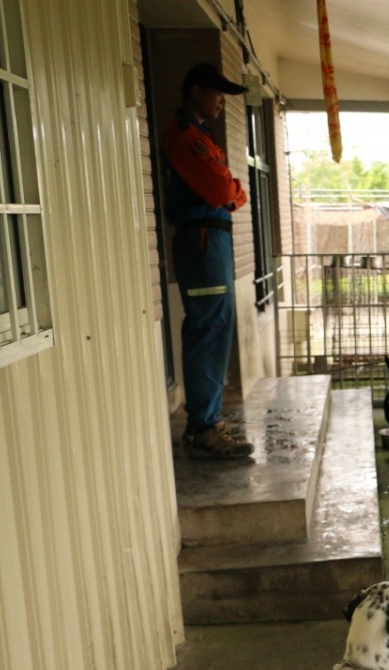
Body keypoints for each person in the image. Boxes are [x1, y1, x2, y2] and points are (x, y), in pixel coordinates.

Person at [163, 63, 254, 459]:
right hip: (202, 240)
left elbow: (234, 193)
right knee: (209, 329)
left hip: (211, 240)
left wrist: (231, 191)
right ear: (196, 91)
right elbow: (223, 191)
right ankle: (203, 427)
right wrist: (230, 190)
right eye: (217, 93)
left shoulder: (200, 136)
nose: (221, 101)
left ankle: (206, 420)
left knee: (213, 327)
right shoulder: (187, 138)